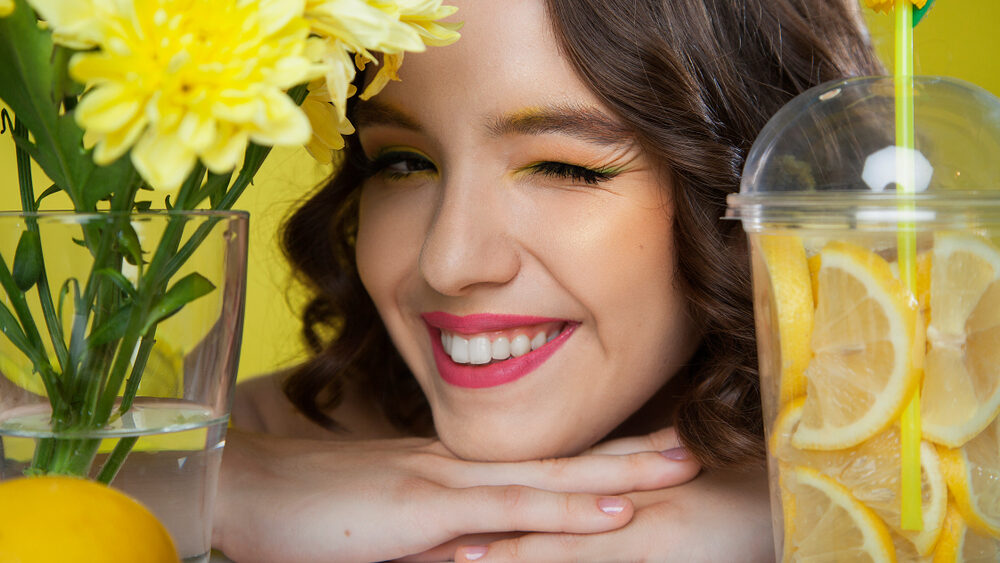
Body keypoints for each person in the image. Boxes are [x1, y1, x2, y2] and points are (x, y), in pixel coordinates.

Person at [213, 0, 883, 561]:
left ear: (759, 182)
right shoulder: (217, 441)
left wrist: (803, 515)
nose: (449, 261)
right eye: (405, 163)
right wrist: (210, 491)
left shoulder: (943, 476)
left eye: (564, 168)